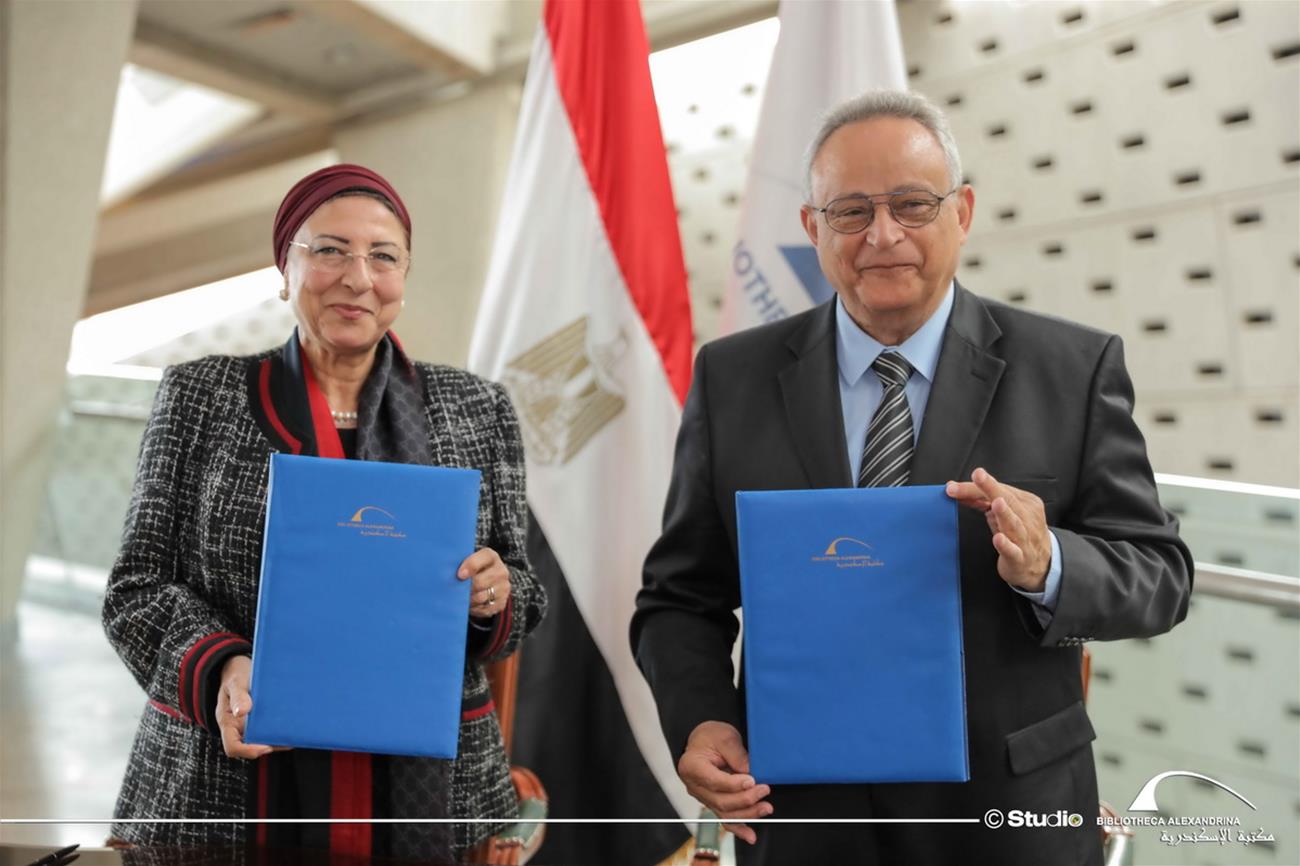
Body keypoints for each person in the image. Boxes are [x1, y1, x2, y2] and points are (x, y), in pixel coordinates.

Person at [630, 90, 1193, 865]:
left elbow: (1161, 575)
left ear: (962, 212)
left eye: (912, 204)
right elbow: (679, 598)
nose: (883, 234)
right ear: (812, 229)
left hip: (1009, 813)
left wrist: (1049, 563)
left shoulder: (1072, 368)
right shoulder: (733, 378)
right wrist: (701, 719)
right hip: (805, 816)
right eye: (851, 211)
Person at [102, 164, 546, 862]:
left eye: (383, 256)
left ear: (404, 275)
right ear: (285, 269)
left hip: (436, 783)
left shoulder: (476, 407)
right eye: (330, 250)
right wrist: (222, 665)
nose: (358, 277)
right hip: (225, 775)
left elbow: (523, 586)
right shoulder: (200, 395)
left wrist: (495, 592)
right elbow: (135, 589)